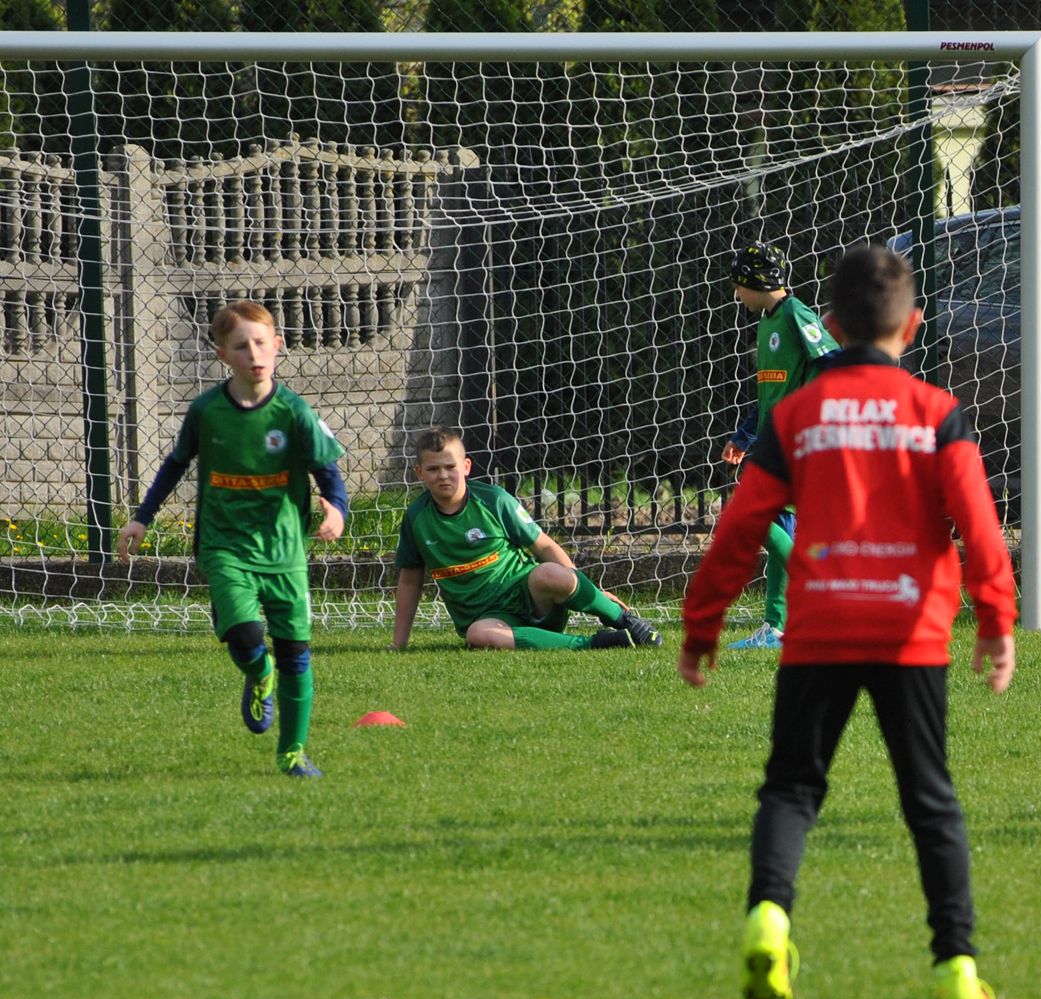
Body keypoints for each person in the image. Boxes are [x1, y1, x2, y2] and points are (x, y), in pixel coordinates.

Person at [679, 244, 1017, 999]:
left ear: (830, 323)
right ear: (913, 326)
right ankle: (955, 968)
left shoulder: (797, 416)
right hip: (909, 633)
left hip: (820, 630)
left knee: (792, 789)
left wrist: (702, 628)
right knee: (930, 800)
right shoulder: (935, 411)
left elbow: (742, 527)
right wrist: (997, 618)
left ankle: (769, 918)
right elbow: (978, 524)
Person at [116, 300, 347, 778]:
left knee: (295, 654)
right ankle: (258, 674)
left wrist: (337, 510)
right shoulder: (207, 411)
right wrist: (142, 518)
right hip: (224, 547)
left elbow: (328, 471)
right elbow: (175, 464)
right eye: (241, 346)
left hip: (284, 550)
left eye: (261, 343)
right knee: (246, 636)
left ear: (277, 345)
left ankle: (292, 752)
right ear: (223, 355)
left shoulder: (294, 412)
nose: (254, 354)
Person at [390, 428, 660, 652]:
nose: (443, 475)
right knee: (478, 636)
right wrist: (399, 643)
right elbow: (410, 580)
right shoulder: (416, 518)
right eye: (433, 469)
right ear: (420, 472)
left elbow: (544, 545)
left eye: (450, 466)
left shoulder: (494, 500)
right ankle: (596, 643)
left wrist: (594, 593)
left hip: (533, 599)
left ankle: (624, 620)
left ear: (466, 466)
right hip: (490, 620)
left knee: (549, 573)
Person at [717, 240, 841, 650]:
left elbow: (833, 363)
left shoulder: (795, 314)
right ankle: (776, 628)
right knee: (780, 528)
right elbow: (769, 393)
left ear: (755, 281)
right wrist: (744, 436)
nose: (737, 294)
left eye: (739, 285)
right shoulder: (767, 323)